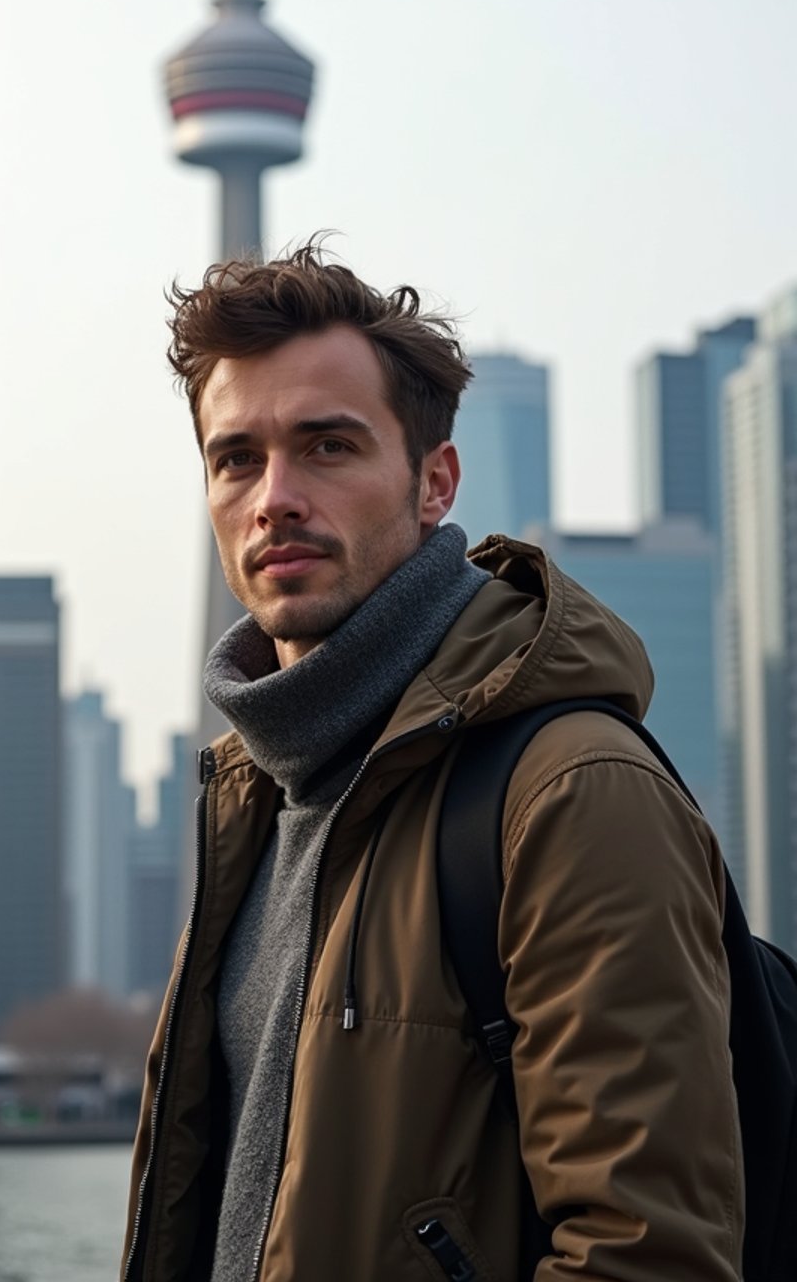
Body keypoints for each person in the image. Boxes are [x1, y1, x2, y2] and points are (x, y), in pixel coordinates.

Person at [121, 240, 742, 1282]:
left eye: (327, 447)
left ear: (433, 483)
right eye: (237, 458)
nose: (274, 497)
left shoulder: (570, 791)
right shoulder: (252, 804)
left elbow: (648, 1254)